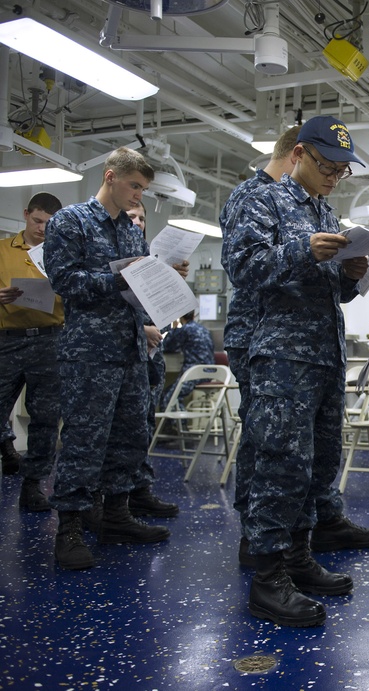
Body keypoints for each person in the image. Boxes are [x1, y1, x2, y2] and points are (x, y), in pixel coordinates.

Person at [224, 116, 369, 627]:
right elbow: (241, 267)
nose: (335, 176)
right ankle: (267, 578)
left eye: (342, 170)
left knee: (316, 463)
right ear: (301, 154)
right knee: (279, 464)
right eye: (328, 165)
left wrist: (350, 274)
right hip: (282, 355)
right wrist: (300, 250)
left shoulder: (324, 210)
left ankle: (299, 558)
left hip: (323, 354)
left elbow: (328, 287)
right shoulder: (257, 199)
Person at [45, 147, 190, 570]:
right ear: (110, 177)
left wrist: (162, 276)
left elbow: (137, 284)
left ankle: (117, 514)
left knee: (129, 435)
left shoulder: (130, 229)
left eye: (143, 189)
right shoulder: (70, 221)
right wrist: (119, 278)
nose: (139, 197)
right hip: (89, 352)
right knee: (84, 440)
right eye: (135, 186)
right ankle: (70, 527)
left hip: (129, 350)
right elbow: (65, 280)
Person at [0, 192, 64, 510]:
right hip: (7, 339)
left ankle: (33, 484)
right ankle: (6, 445)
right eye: (37, 221)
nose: (42, 229)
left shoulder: (62, 255)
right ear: (26, 214)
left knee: (45, 418)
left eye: (49, 224)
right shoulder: (1, 250)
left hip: (50, 341)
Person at [124, 201, 179, 518]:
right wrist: (139, 329)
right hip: (121, 355)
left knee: (143, 425)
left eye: (143, 217)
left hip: (149, 358)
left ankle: (139, 490)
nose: (139, 222)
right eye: (132, 216)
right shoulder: (109, 256)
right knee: (119, 429)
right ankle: (108, 499)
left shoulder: (148, 258)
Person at [159, 310, 215, 409]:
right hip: (210, 373)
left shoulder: (185, 329)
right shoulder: (204, 329)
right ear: (194, 315)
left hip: (194, 374)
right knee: (168, 393)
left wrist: (174, 329)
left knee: (169, 398)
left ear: (180, 317)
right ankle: (177, 424)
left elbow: (167, 345)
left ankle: (179, 425)